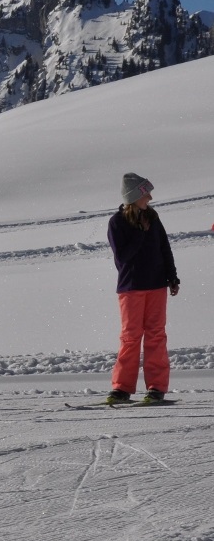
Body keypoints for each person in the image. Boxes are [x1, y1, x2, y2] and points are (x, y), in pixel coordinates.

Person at [106, 173, 180, 404]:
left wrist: (172, 277)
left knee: (156, 335)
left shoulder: (153, 218)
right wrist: (140, 232)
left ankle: (156, 388)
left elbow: (164, 248)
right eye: (145, 193)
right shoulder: (117, 222)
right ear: (134, 196)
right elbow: (123, 258)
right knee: (130, 337)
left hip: (157, 285)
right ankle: (121, 389)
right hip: (131, 287)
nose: (150, 197)